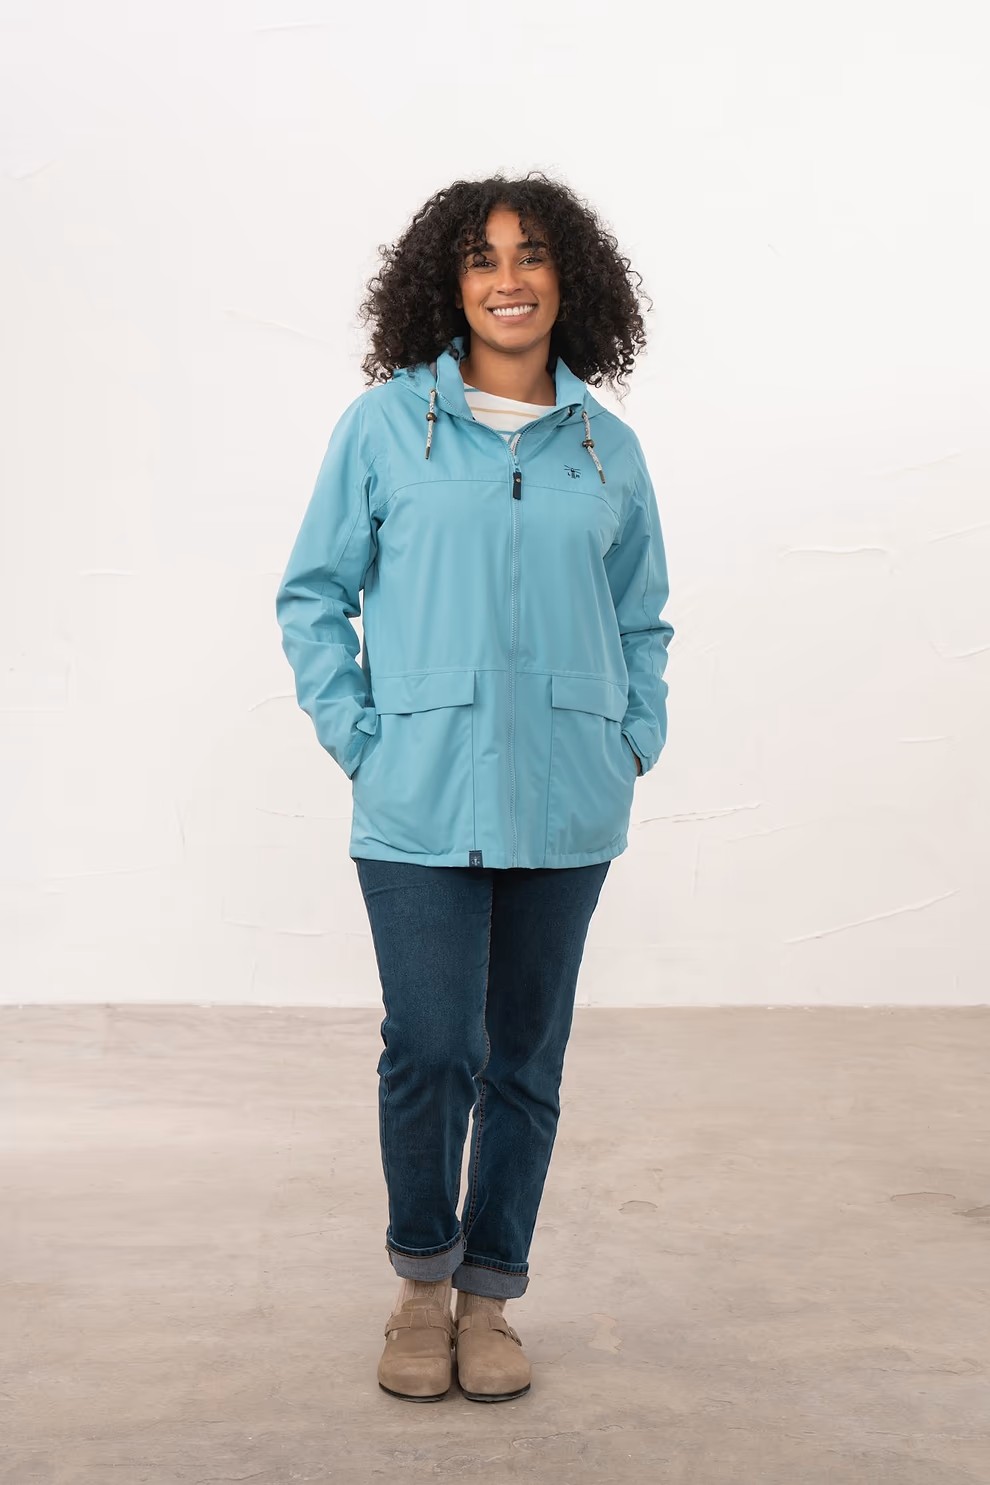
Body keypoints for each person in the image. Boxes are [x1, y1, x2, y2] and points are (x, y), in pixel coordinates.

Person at [275, 172, 674, 1404]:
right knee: (433, 1045)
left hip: (568, 802)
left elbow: (642, 618)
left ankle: (491, 1295)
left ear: (569, 279)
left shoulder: (606, 448)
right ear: (446, 287)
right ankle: (420, 1283)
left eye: (532, 253)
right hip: (419, 797)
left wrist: (633, 737)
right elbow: (313, 594)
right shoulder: (384, 428)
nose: (509, 279)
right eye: (482, 258)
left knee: (526, 1061)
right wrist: (362, 736)